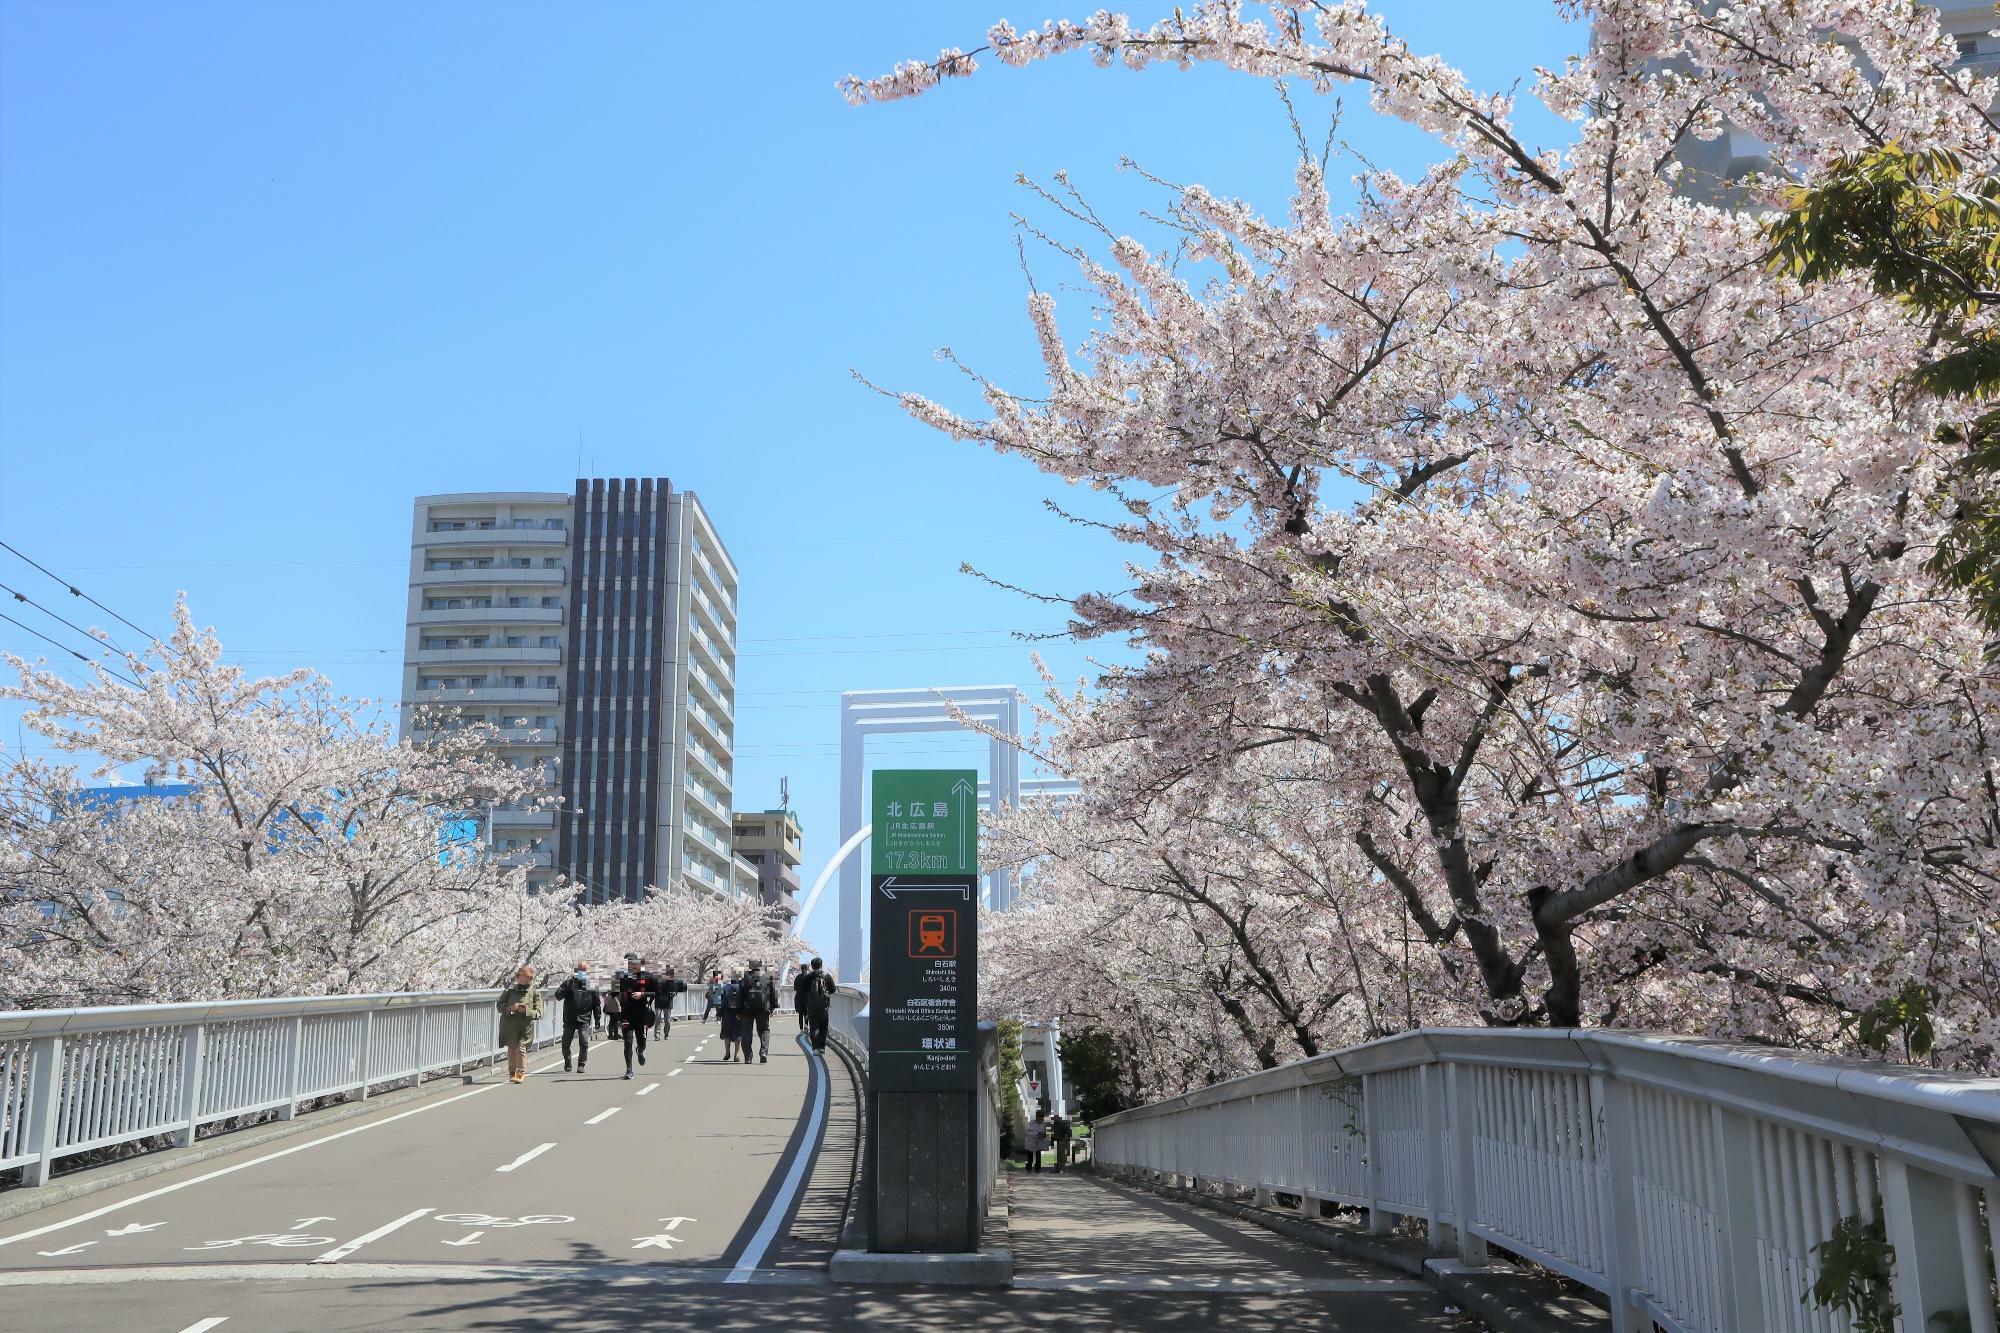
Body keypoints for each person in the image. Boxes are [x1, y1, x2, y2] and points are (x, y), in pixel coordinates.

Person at [616, 953, 661, 1080]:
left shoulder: (646, 976)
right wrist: (609, 997)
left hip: (641, 1014)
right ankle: (629, 1069)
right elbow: (612, 992)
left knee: (642, 1041)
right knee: (627, 1041)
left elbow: (656, 992)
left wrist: (642, 994)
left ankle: (640, 1051)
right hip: (626, 1014)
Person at [496, 965, 542, 1085]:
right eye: (521, 980)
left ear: (530, 980)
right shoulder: (510, 991)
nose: (523, 982)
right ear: (517, 978)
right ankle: (512, 1072)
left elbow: (540, 1013)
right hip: (509, 1025)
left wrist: (526, 1010)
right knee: (511, 1049)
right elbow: (499, 1006)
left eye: (526, 980)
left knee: (521, 1048)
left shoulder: (534, 993)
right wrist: (511, 1008)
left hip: (525, 1027)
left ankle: (520, 1073)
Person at [554, 961, 601, 1073]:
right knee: (565, 1042)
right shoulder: (568, 983)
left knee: (584, 1041)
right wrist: (567, 989)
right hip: (570, 1018)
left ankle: (581, 1064)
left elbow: (596, 1003)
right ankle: (567, 1061)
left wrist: (598, 1017)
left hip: (584, 1018)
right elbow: (558, 996)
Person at [735, 961, 778, 1064]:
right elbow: (773, 993)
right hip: (763, 1008)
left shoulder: (744, 978)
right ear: (760, 967)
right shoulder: (767, 977)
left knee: (746, 1032)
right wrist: (772, 1008)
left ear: (750, 967)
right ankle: (763, 1052)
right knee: (764, 1030)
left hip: (747, 1009)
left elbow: (739, 995)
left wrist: (738, 1011)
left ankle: (748, 1057)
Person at [799, 957, 835, 1053]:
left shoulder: (808, 977)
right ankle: (822, 1047)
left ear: (812, 966)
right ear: (821, 965)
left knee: (814, 1026)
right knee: (823, 1026)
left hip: (811, 1006)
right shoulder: (827, 976)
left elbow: (802, 991)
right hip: (824, 1007)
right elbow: (833, 989)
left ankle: (815, 1048)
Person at [655, 965, 688, 1041]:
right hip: (658, 1001)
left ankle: (666, 1033)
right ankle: (657, 1035)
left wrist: (674, 993)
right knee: (657, 1018)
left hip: (668, 1002)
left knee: (667, 1020)